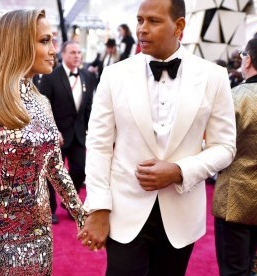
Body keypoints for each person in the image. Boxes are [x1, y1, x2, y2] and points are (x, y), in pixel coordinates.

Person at [78, 0, 236, 275]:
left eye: (153, 21)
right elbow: (99, 145)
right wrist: (98, 208)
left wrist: (179, 171)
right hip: (123, 211)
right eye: (140, 20)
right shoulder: (115, 75)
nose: (142, 29)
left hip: (181, 215)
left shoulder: (214, 76)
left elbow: (224, 146)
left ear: (179, 26)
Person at [0, 9, 85, 276]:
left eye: (53, 40)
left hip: (40, 234)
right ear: (18, 43)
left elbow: (54, 167)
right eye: (44, 41)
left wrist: (80, 213)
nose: (53, 49)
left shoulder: (42, 102)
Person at [212, 31, 257, 276]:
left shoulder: (233, 98)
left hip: (235, 199)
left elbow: (216, 149)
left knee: (233, 269)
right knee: (248, 261)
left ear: (248, 60)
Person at [39, 40, 95, 224]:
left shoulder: (87, 76)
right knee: (52, 174)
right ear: (63, 55)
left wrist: (91, 130)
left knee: (80, 170)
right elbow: (43, 108)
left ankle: (69, 202)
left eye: (79, 52)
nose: (77, 55)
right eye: (72, 52)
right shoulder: (50, 77)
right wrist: (53, 131)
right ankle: (51, 208)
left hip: (78, 134)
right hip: (57, 135)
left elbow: (87, 106)